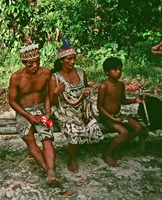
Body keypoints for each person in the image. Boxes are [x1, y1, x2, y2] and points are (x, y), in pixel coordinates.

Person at [8, 43, 61, 185]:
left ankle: (51, 172)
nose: (35, 66)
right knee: (29, 138)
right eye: (31, 63)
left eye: (37, 62)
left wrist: (48, 112)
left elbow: (48, 95)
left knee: (47, 138)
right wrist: (27, 116)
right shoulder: (16, 77)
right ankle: (48, 171)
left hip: (41, 108)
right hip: (23, 111)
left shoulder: (45, 73)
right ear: (24, 63)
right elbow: (12, 101)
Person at [49, 36, 104, 173]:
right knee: (73, 131)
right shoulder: (55, 77)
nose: (72, 61)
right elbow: (53, 103)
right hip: (64, 111)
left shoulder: (80, 72)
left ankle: (86, 144)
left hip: (82, 108)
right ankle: (72, 158)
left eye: (74, 58)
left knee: (91, 125)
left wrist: (86, 92)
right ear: (61, 60)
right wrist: (55, 92)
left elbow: (86, 87)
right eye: (69, 59)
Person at [97, 57, 143, 167]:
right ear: (107, 72)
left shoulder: (121, 84)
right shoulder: (104, 86)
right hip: (106, 117)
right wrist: (113, 119)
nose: (118, 72)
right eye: (115, 69)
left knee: (138, 127)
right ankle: (107, 154)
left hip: (118, 115)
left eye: (120, 69)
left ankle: (118, 147)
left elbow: (122, 100)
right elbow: (99, 107)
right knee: (124, 132)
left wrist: (135, 100)